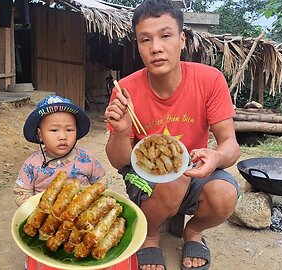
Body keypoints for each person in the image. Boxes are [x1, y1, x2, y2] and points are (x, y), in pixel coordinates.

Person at [104, 0, 241, 269]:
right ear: (139, 46)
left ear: (182, 39)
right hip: (144, 177)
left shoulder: (210, 80)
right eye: (146, 40)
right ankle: (150, 237)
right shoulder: (126, 91)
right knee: (172, 181)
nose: (156, 47)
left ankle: (193, 232)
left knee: (225, 193)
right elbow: (119, 161)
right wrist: (121, 133)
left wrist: (215, 157)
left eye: (165, 36)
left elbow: (230, 145)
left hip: (194, 170)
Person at [13, 95, 105, 269]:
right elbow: (21, 192)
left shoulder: (86, 159)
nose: (63, 136)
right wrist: (35, 209)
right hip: (47, 222)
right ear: (40, 134)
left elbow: (102, 181)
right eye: (54, 131)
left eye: (69, 130)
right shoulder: (32, 164)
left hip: (79, 221)